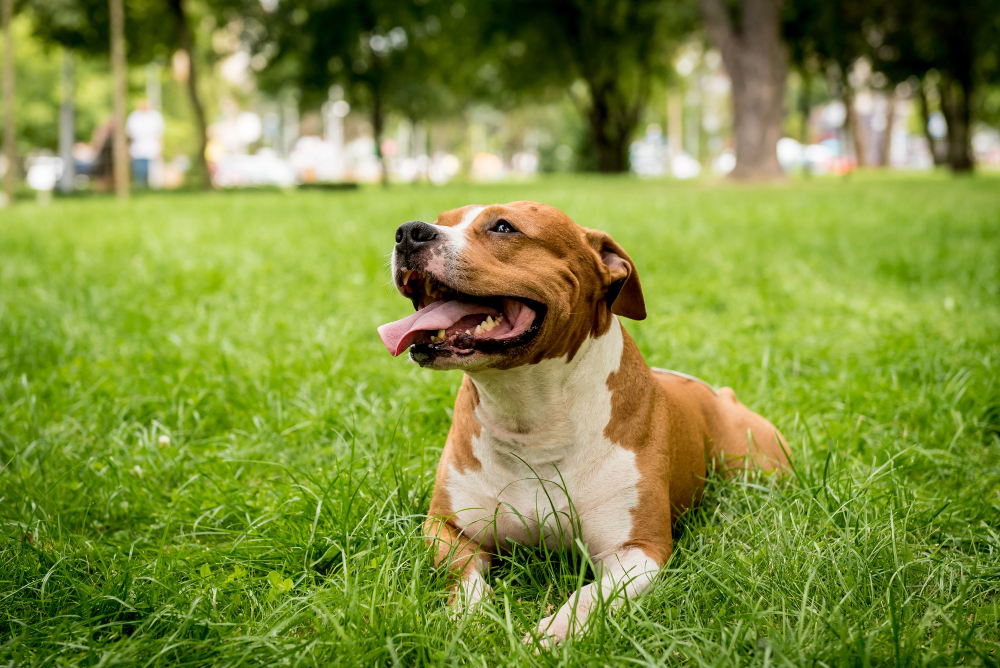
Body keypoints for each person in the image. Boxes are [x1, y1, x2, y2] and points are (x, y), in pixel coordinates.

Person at [126, 99, 165, 189]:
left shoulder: (156, 116)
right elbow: (129, 134)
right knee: (139, 171)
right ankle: (140, 187)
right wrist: (127, 149)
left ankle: (149, 188)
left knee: (152, 172)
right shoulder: (134, 116)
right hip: (137, 149)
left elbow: (160, 135)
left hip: (152, 148)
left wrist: (161, 148)